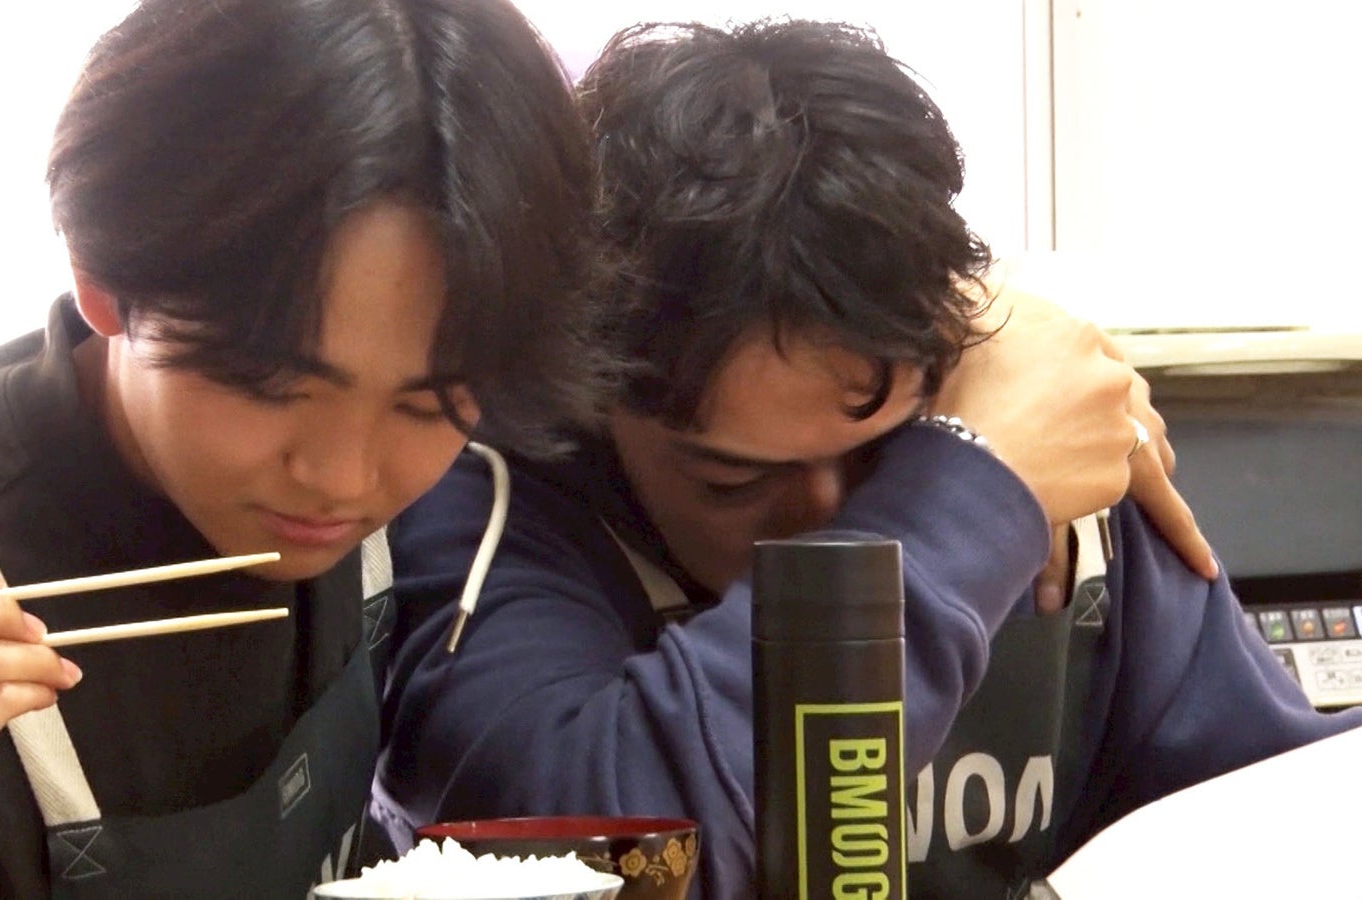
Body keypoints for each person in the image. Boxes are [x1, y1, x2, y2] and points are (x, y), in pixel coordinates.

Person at [371, 18, 1362, 899]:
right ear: (593, 397)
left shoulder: (1060, 468)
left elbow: (1279, 823)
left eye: (883, 454)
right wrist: (965, 495)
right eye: (731, 480)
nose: (824, 515)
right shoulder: (489, 504)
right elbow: (592, 862)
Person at [0, 0, 613, 896]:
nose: (343, 480)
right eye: (273, 386)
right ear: (101, 280)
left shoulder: (368, 509)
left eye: (428, 403)